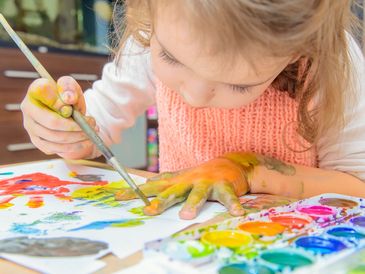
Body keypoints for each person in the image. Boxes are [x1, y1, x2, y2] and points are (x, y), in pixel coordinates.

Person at [21, 0, 365, 219]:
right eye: (171, 58)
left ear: (295, 52)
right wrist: (66, 126)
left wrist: (248, 171)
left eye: (240, 85)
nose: (195, 97)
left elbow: (357, 187)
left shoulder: (330, 64)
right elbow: (97, 128)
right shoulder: (150, 34)